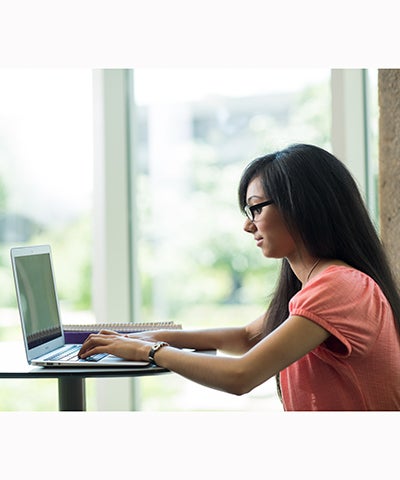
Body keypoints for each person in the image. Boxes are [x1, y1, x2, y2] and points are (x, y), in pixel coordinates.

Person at [79, 143, 400, 411]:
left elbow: (241, 375)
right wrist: (147, 337)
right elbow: (248, 337)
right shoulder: (323, 282)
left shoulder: (339, 286)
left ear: (302, 205)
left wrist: (148, 351)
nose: (249, 226)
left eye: (256, 208)